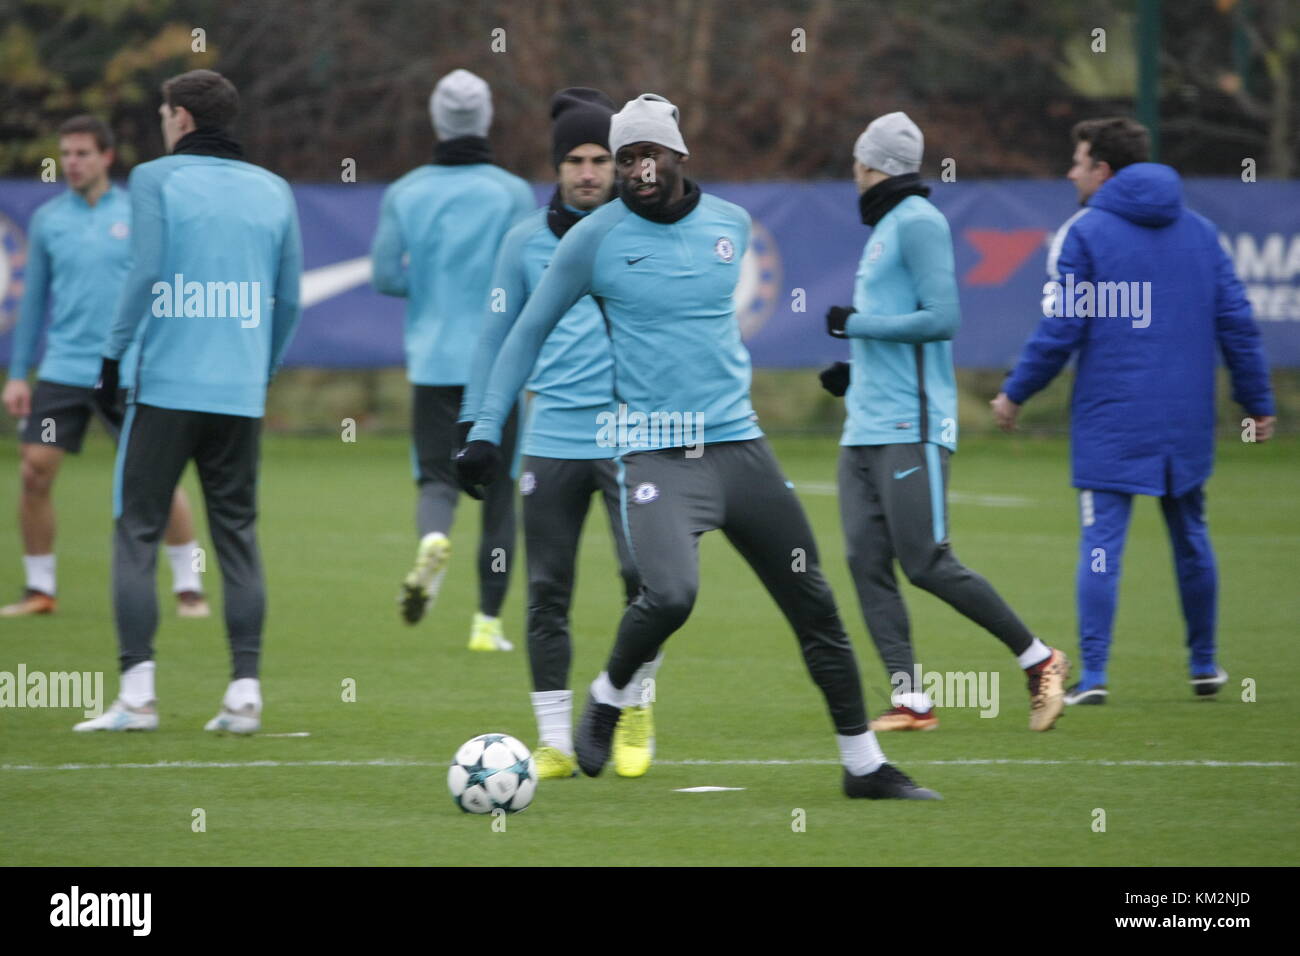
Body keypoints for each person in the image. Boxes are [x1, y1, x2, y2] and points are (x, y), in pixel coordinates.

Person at [458, 93, 939, 800]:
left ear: (679, 154)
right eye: (625, 158)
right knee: (671, 593)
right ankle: (609, 693)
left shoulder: (731, 225)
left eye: (647, 152)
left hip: (742, 450)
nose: (636, 168)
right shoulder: (591, 240)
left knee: (815, 603)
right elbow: (524, 333)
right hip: (655, 453)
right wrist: (481, 430)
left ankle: (864, 766)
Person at [991, 117, 1275, 704]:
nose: (1070, 172)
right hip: (1184, 420)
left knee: (1100, 545)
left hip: (1112, 417)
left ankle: (1093, 677)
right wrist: (1256, 402)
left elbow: (1062, 327)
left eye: (1078, 161)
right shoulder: (1201, 232)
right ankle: (1204, 666)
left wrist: (1016, 392)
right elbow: (1237, 325)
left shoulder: (1086, 233)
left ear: (1104, 171)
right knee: (1192, 537)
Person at [820, 112, 1069, 732]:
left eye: (858, 162)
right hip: (866, 425)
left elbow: (942, 318)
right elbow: (896, 322)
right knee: (864, 562)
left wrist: (857, 326)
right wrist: (857, 369)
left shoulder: (921, 222)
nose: (853, 174)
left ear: (869, 164)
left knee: (927, 560)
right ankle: (911, 700)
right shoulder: (884, 228)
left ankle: (1039, 660)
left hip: (912, 425)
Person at [74, 69, 303, 733]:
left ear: (181, 119)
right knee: (236, 537)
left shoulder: (153, 179)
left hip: (168, 387)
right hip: (239, 393)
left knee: (137, 531)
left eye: (164, 112)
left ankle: (139, 696)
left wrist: (112, 359)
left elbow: (146, 272)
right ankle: (245, 694)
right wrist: (263, 366)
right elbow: (288, 300)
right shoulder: (274, 189)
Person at [461, 88, 657, 780]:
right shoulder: (522, 241)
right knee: (547, 590)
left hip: (635, 437)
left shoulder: (646, 229)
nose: (586, 171)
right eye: (574, 158)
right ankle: (552, 741)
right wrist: (477, 427)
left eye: (600, 158)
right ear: (557, 165)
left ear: (620, 164)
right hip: (553, 439)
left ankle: (633, 706)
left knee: (647, 580)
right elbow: (496, 338)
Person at [2, 115, 207, 619]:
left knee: (153, 478)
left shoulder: (138, 213)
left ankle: (188, 586)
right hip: (64, 370)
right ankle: (40, 590)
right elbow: (33, 306)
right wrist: (17, 373)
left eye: (82, 153)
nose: (71, 162)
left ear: (106, 157)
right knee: (34, 471)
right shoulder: (50, 220)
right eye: (65, 153)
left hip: (126, 368)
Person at [371, 68, 533, 650]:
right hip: (497, 368)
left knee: (436, 480)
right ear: (485, 117)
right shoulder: (511, 192)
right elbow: (527, 275)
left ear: (436, 119)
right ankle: (487, 624)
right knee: (499, 494)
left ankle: (432, 539)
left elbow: (386, 274)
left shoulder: (406, 192)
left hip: (433, 360)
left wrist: (433, 287)